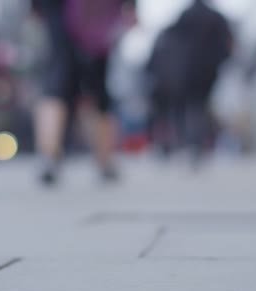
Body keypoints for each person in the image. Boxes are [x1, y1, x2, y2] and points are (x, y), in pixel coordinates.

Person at [31, 0, 137, 185]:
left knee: (57, 84)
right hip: (95, 14)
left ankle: (49, 156)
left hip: (61, 12)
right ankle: (104, 159)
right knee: (97, 89)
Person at [147, 0, 232, 161]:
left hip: (189, 69)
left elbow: (171, 36)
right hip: (209, 70)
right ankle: (196, 144)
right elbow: (227, 44)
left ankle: (185, 143)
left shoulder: (186, 15)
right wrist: (220, 61)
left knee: (188, 107)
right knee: (200, 106)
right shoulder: (217, 17)